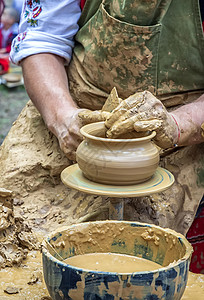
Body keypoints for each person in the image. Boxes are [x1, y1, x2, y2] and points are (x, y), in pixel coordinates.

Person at [7, 0, 204, 273]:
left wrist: (178, 125)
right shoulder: (63, 117)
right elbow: (41, 38)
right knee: (15, 236)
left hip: (185, 126)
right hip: (70, 108)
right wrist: (62, 118)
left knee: (159, 264)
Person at [0, 6, 18, 74]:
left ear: (11, 20)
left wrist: (5, 50)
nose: (1, 15)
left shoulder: (15, 31)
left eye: (4, 14)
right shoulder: (1, 28)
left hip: (9, 52)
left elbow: (14, 45)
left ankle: (5, 71)